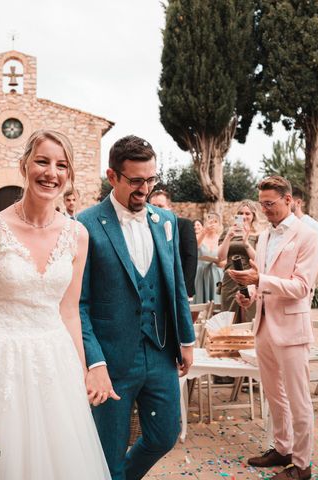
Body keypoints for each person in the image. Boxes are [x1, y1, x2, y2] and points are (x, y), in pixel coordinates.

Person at [0, 130, 110, 479]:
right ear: (24, 164)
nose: (51, 173)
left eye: (62, 165)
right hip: (0, 365)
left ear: (69, 176)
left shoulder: (77, 235)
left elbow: (69, 311)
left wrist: (82, 370)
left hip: (56, 365)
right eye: (42, 161)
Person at [78, 135, 194, 480]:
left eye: (151, 179)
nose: (145, 189)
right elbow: (78, 304)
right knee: (109, 449)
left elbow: (176, 286)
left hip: (160, 351)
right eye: (136, 181)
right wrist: (94, 361)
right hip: (112, 361)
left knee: (164, 435)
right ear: (112, 176)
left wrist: (186, 340)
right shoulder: (85, 224)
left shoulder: (166, 222)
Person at [229, 176, 318, 480]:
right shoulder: (266, 236)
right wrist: (250, 294)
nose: (265, 210)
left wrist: (259, 281)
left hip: (292, 329)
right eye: (262, 204)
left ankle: (302, 464)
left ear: (288, 199)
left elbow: (301, 287)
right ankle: (282, 449)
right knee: (274, 394)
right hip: (264, 326)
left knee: (298, 399)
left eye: (270, 204)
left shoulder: (308, 235)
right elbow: (265, 279)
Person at [150, 189, 198, 298]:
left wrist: (185, 290)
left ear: (169, 207)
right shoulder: (146, 228)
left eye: (160, 206)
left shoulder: (184, 225)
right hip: (155, 289)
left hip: (179, 287)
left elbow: (191, 258)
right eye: (153, 206)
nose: (156, 209)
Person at [217, 200, 259, 323]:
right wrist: (229, 236)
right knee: (229, 317)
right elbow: (220, 257)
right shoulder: (228, 232)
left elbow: (258, 259)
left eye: (247, 213)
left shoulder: (258, 234)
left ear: (253, 216)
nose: (244, 216)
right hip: (230, 278)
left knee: (249, 316)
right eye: (240, 213)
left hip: (249, 278)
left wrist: (246, 242)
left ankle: (249, 342)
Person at [194, 212, 223, 304]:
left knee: (217, 304)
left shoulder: (221, 239)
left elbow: (224, 258)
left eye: (215, 222)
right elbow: (194, 247)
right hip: (201, 273)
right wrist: (204, 232)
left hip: (216, 273)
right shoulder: (199, 237)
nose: (212, 224)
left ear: (219, 224)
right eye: (210, 221)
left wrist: (220, 262)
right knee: (198, 304)